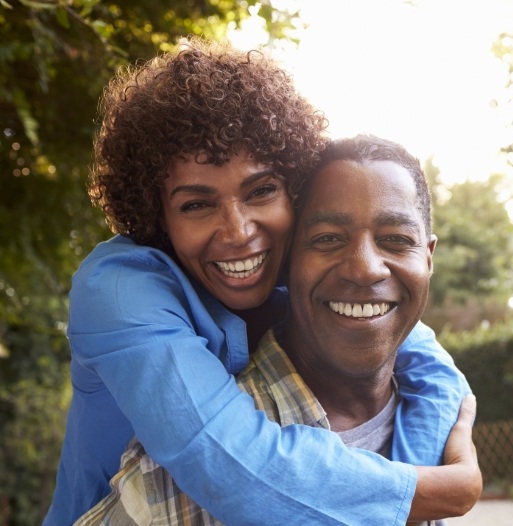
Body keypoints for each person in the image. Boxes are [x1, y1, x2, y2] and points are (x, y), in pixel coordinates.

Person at [44, 37, 472, 525]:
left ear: (292, 191)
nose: (238, 232)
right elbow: (237, 471)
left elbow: (423, 357)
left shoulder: (295, 268)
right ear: (157, 217)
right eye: (196, 204)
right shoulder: (119, 291)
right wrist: (443, 491)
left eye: (262, 190)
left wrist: (415, 466)